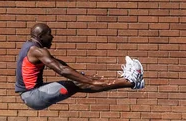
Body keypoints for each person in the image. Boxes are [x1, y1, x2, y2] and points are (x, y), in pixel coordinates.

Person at [15, 23, 145, 110]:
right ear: (40, 36)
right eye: (49, 34)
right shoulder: (36, 51)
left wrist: (84, 77)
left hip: (34, 93)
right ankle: (130, 82)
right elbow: (62, 70)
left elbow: (61, 64)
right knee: (78, 84)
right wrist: (91, 81)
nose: (52, 37)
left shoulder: (31, 48)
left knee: (79, 82)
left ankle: (130, 82)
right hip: (32, 96)